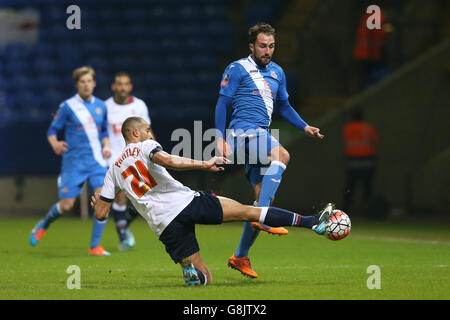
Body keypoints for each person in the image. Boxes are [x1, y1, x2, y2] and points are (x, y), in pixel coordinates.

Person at [90, 117, 334, 286]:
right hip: (186, 202)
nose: (150, 133)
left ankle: (192, 272)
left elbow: (101, 214)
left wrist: (98, 200)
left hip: (163, 225)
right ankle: (313, 222)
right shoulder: (146, 145)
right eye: (147, 129)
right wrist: (205, 164)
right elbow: (168, 160)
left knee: (205, 276)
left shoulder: (113, 170)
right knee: (250, 211)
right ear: (136, 133)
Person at [214, 23, 327, 278]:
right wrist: (220, 138)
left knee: (263, 201)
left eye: (272, 46)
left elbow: (284, 106)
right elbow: (223, 103)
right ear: (252, 46)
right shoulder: (238, 68)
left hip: (261, 134)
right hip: (243, 132)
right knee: (283, 155)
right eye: (263, 46)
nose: (267, 51)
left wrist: (304, 126)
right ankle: (261, 220)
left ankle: (240, 256)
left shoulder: (277, 72)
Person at [29, 66, 112, 256]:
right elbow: (51, 131)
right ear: (77, 85)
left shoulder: (101, 106)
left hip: (97, 163)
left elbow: (104, 132)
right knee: (66, 205)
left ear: (94, 83)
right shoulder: (67, 106)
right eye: (82, 82)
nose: (86, 85)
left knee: (102, 200)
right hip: (73, 163)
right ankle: (43, 224)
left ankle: (95, 247)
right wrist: (55, 144)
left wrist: (106, 146)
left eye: (89, 81)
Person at [105, 72, 154, 251]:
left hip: (136, 156)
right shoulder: (106, 107)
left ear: (130, 87)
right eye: (119, 84)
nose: (123, 87)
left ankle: (123, 226)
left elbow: (146, 130)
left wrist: (155, 148)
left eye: (126, 84)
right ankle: (123, 235)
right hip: (114, 159)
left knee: (142, 196)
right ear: (114, 87)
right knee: (120, 196)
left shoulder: (139, 105)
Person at [342, 107, 378, 213]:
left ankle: (345, 209)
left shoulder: (347, 128)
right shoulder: (368, 128)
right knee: (367, 188)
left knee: (350, 187)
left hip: (352, 161)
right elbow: (375, 142)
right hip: (367, 161)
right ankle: (368, 210)